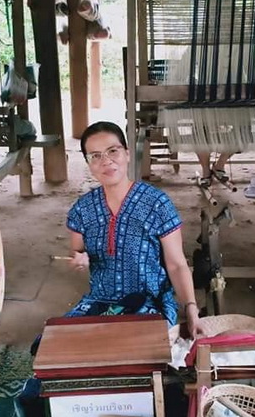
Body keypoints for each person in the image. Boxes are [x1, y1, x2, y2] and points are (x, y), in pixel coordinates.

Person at [66, 121, 204, 338]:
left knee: (132, 351)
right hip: (101, 303)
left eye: (113, 151)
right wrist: (78, 260)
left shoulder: (157, 204)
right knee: (59, 348)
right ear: (89, 163)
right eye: (95, 156)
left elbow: (177, 265)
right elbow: (77, 252)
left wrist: (191, 310)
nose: (106, 161)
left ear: (127, 154)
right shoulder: (82, 210)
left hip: (150, 303)